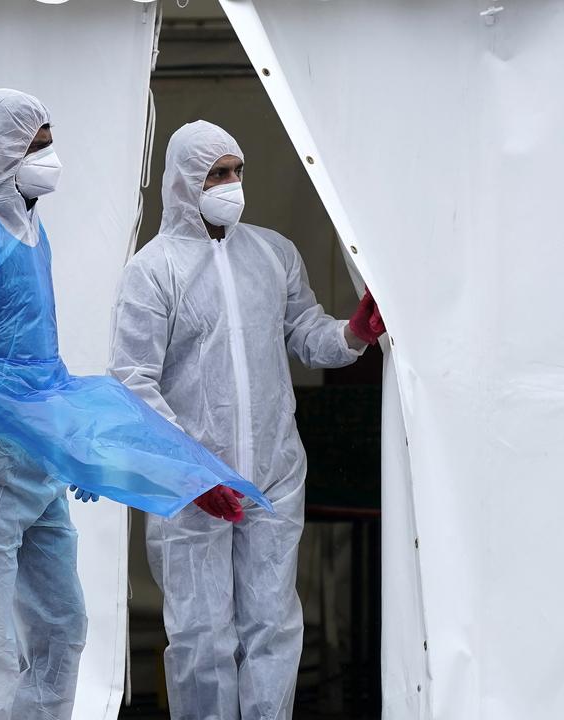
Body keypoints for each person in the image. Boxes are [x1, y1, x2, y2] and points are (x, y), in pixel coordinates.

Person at [0, 92, 268, 720]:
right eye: (34, 145)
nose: (49, 158)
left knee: (59, 629)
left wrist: (70, 449)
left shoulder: (27, 227)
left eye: (47, 141)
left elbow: (35, 363)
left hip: (34, 463)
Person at [109, 120, 387, 720]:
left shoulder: (271, 251)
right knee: (201, 638)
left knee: (272, 625)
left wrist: (353, 334)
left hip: (273, 476)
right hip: (192, 487)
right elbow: (134, 383)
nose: (231, 185)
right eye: (217, 174)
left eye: (237, 171)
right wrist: (194, 475)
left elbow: (306, 333)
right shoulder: (153, 271)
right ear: (185, 181)